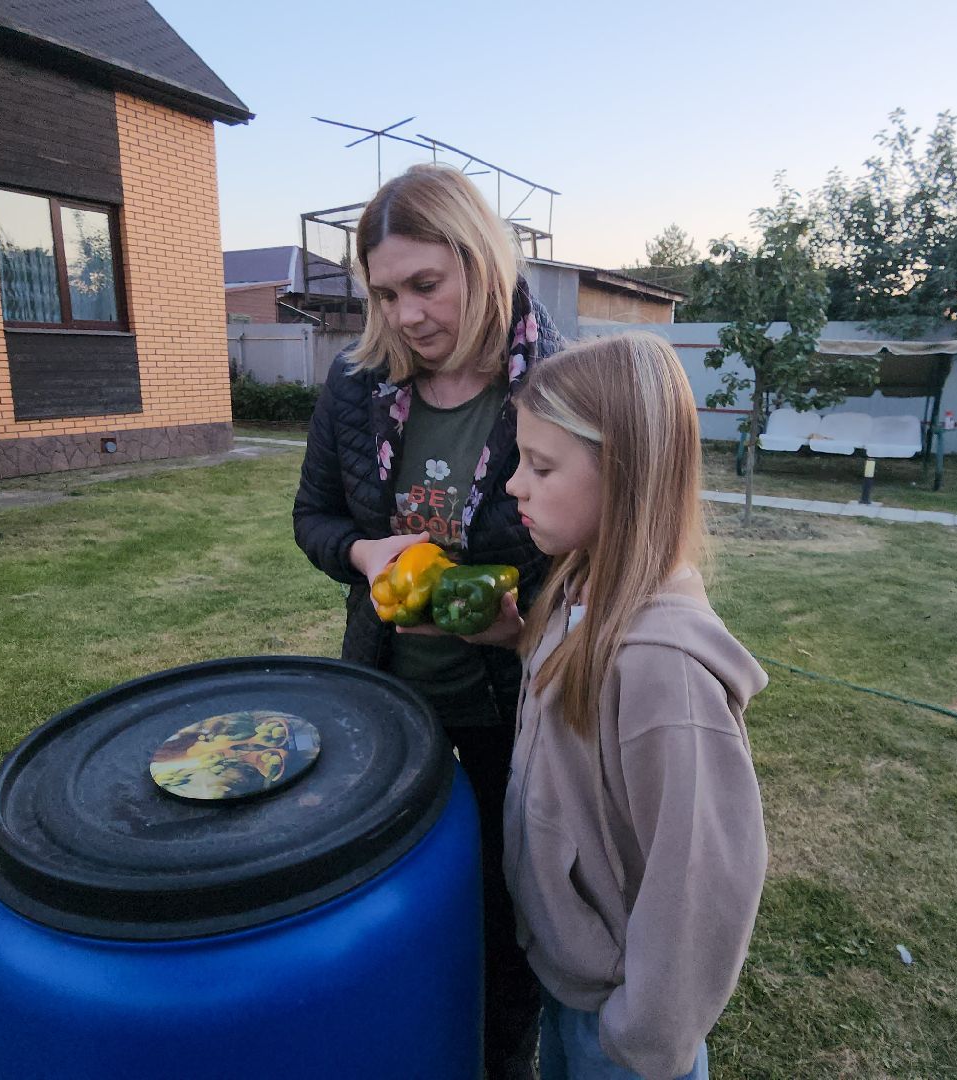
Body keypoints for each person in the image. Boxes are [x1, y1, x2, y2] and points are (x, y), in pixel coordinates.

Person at [292, 163, 564, 1080]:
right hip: (389, 701)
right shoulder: (357, 384)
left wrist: (525, 633)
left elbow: (603, 565)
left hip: (511, 708)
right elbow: (316, 517)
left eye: (426, 285)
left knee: (505, 911)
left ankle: (499, 1064)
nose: (405, 314)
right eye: (385, 292)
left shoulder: (558, 384)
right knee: (389, 902)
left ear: (480, 261)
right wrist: (364, 555)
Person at [500, 332, 769, 1080]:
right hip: (572, 978)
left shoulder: (665, 672)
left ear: (623, 475)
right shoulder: (581, 591)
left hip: (621, 1030)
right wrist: (520, 638)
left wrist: (642, 1037)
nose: (514, 486)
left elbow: (703, 878)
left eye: (541, 466)